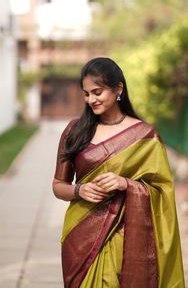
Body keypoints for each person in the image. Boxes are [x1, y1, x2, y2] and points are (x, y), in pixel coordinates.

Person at [52, 57, 185, 288]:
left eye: (97, 92)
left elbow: (163, 192)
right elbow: (58, 185)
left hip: (126, 236)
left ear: (118, 89)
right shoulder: (75, 130)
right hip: (80, 236)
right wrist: (79, 190)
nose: (91, 99)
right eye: (86, 94)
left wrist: (126, 184)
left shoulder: (145, 136)